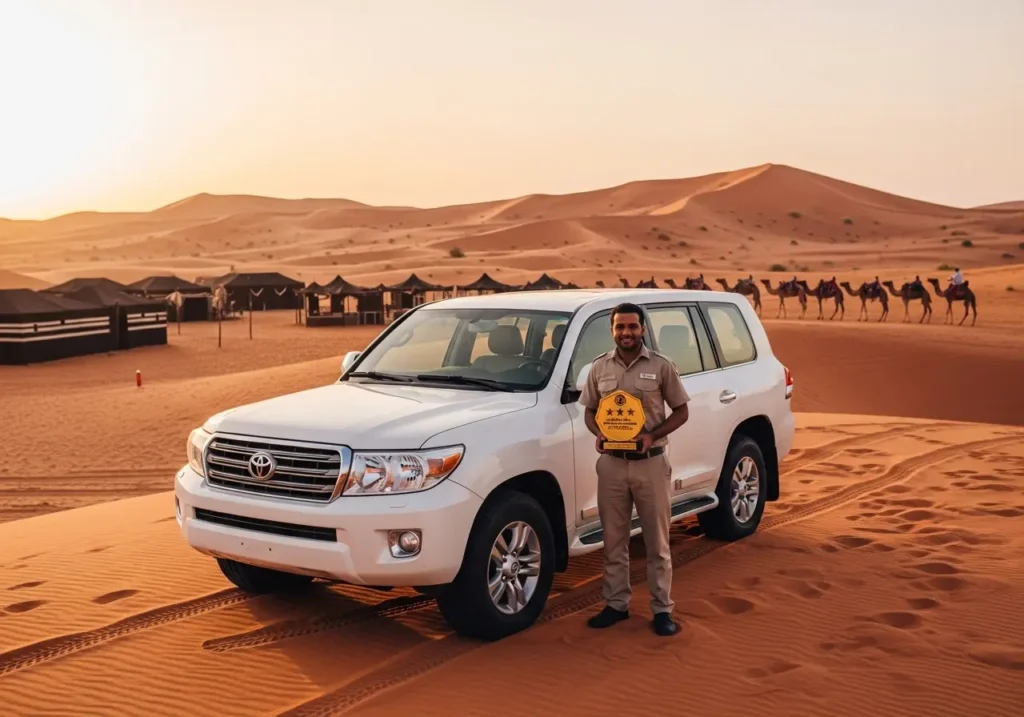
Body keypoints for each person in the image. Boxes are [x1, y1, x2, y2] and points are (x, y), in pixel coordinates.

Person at [578, 302, 691, 637]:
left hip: (651, 465)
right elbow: (590, 411)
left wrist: (652, 436)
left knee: (657, 544)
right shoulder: (599, 368)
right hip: (611, 466)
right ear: (612, 330)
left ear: (643, 329)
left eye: (632, 327)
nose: (626, 333)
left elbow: (682, 411)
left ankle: (662, 610)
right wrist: (597, 433)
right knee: (614, 541)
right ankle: (616, 605)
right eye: (620, 327)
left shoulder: (661, 366)